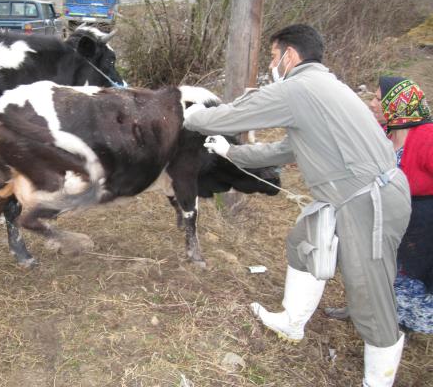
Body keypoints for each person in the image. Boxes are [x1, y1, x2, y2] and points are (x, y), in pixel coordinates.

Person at [184, 24, 411, 386]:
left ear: (289, 55)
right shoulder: (325, 88)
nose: (271, 64)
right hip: (352, 196)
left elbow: (232, 115)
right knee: (303, 243)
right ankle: (292, 322)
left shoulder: (298, 88)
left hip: (368, 202)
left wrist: (191, 115)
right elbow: (285, 149)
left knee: (370, 299)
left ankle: (378, 381)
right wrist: (232, 153)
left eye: (273, 56)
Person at [326, 77, 433, 334]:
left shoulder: (427, 137)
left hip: (418, 221)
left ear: (398, 105)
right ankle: (362, 310)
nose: (372, 104)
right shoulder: (384, 131)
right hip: (378, 211)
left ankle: (397, 327)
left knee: (404, 276)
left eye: (378, 99)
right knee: (365, 263)